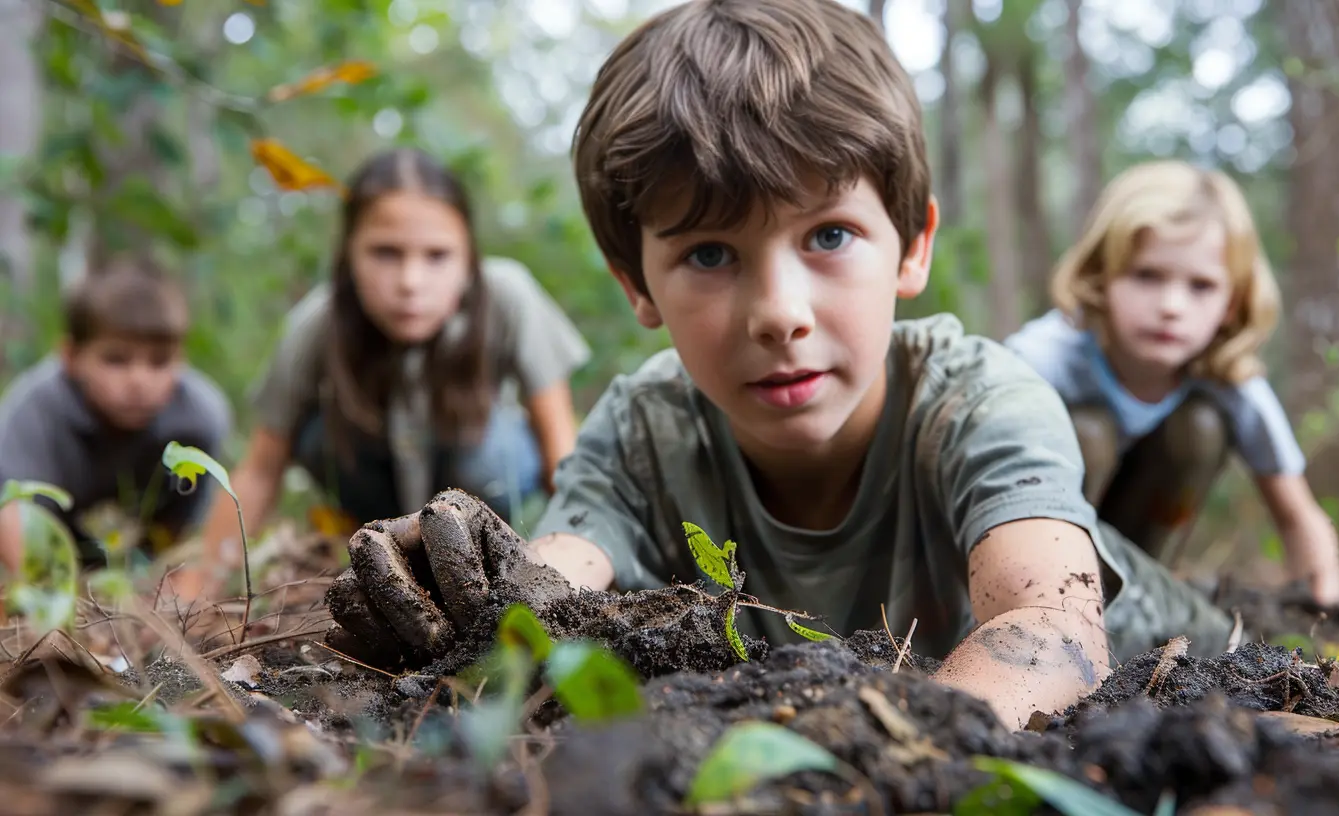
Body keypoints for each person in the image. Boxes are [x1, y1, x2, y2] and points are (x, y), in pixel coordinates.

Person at [323, 0, 1235, 731]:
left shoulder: (980, 400)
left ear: (911, 246)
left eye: (829, 236)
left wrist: (880, 755)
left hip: (1198, 653)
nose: (779, 315)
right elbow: (561, 573)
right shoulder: (644, 429)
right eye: (711, 255)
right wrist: (469, 589)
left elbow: (1050, 630)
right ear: (638, 284)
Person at [176, 147, 590, 601]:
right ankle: (375, 555)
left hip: (482, 488)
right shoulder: (319, 322)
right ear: (349, 253)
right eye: (385, 253)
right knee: (315, 437)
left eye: (437, 256)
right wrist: (202, 585)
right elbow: (261, 466)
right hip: (373, 497)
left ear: (468, 258)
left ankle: (479, 558)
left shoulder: (507, 296)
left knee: (497, 451)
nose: (411, 281)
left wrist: (572, 566)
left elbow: (560, 453)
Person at [1002, 161, 1339, 607]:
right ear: (1101, 276)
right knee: (1086, 433)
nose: (1171, 306)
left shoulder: (1231, 382)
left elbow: (1299, 515)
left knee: (1199, 426)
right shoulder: (1042, 359)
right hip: (1028, 557)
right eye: (1147, 275)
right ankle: (1042, 610)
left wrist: (1327, 622)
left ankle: (1138, 603)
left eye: (1201, 286)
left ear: (1232, 303)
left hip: (1136, 560)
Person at [0, 257, 232, 575]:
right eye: (116, 360)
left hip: (143, 567)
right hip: (54, 559)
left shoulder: (199, 416)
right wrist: (46, 598)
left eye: (160, 362)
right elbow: (14, 516)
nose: (139, 381)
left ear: (182, 358)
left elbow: (189, 527)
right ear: (71, 357)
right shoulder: (34, 412)